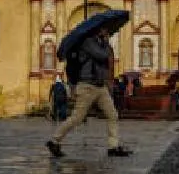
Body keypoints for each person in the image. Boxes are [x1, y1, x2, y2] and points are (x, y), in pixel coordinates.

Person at [46, 24, 132, 158]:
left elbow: (106, 61)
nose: (107, 31)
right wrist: (106, 44)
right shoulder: (88, 43)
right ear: (97, 30)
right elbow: (102, 55)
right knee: (77, 118)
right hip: (87, 86)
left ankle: (113, 146)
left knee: (112, 115)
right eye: (105, 29)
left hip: (99, 86)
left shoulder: (100, 42)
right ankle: (54, 140)